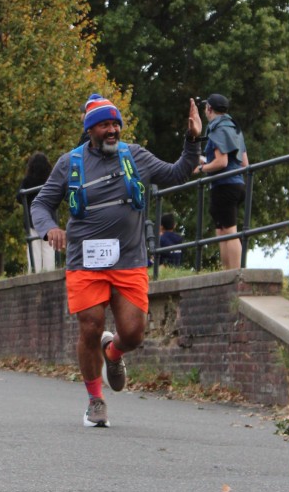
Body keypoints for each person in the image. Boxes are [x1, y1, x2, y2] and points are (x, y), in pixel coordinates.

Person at [32, 95, 202, 427]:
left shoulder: (135, 156)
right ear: (90, 130)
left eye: (115, 124)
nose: (112, 130)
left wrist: (193, 139)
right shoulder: (70, 163)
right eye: (104, 125)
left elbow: (178, 173)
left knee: (134, 334)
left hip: (129, 259)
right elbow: (40, 203)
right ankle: (95, 401)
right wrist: (49, 228)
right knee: (90, 326)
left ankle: (114, 352)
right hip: (85, 262)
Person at [193, 92, 249, 271]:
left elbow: (222, 162)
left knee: (229, 232)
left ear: (209, 109)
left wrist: (201, 168)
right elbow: (244, 163)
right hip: (237, 184)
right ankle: (227, 274)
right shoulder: (234, 127)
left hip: (224, 186)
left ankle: (235, 274)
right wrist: (206, 162)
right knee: (222, 231)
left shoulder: (217, 128)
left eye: (205, 107)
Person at [18, 151, 57, 272]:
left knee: (34, 248)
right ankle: (50, 272)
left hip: (32, 218)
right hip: (48, 218)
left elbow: (19, 198)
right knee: (48, 248)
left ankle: (35, 272)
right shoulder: (50, 180)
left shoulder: (27, 181)